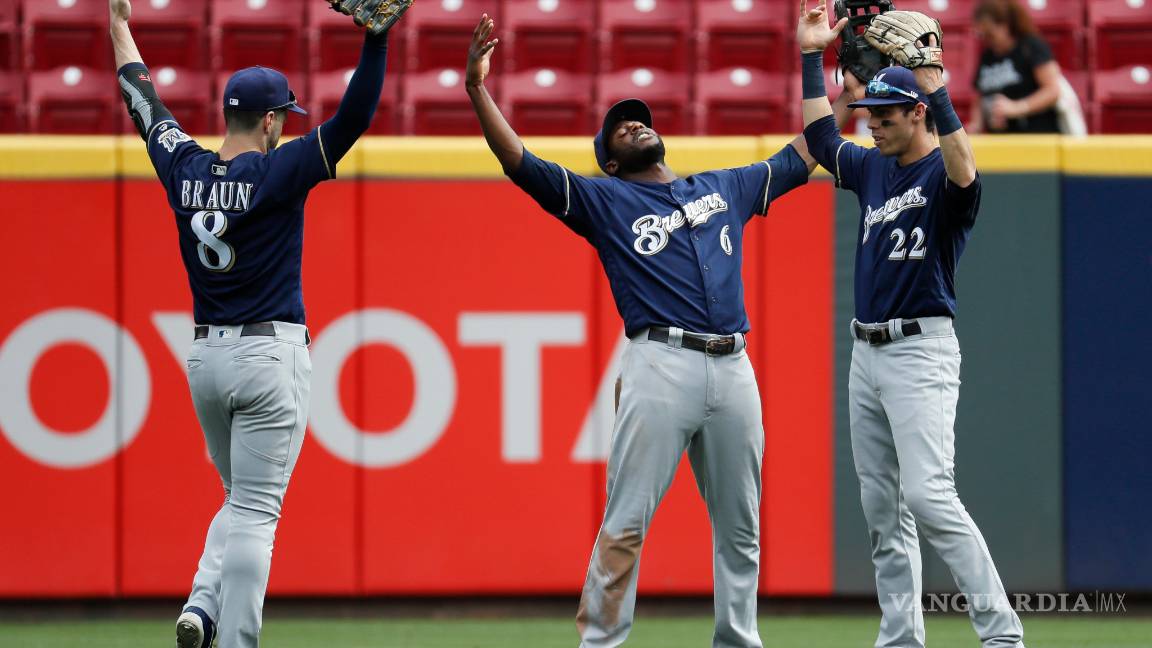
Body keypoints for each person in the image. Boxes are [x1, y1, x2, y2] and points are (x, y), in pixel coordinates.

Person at [466, 13, 860, 648]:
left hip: (735, 367)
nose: (636, 123)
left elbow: (806, 152)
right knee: (627, 520)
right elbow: (520, 163)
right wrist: (477, 89)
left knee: (742, 525)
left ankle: (738, 640)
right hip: (660, 364)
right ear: (611, 163)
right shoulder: (605, 201)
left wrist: (835, 82)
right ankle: (601, 641)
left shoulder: (724, 186)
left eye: (640, 117)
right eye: (621, 127)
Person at [108, 0, 401, 645]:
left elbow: (142, 99)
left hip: (206, 360)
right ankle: (237, 637)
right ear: (269, 120)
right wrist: (377, 42)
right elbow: (353, 120)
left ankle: (201, 607)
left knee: (240, 497)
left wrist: (119, 23)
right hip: (269, 357)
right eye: (283, 117)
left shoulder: (183, 166)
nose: (285, 127)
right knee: (257, 510)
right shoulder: (278, 168)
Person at [796, 1, 1026, 647]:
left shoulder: (942, 172)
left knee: (928, 496)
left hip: (919, 350)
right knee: (881, 509)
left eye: (886, 118)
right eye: (871, 116)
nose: (874, 128)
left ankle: (1001, 632)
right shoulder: (872, 165)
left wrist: (937, 87)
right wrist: (813, 57)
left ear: (917, 113)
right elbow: (819, 141)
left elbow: (965, 169)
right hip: (865, 353)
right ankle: (901, 637)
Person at [971, 0, 1061, 133]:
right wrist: (976, 124)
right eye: (983, 35)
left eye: (990, 34)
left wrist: (1017, 108)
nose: (987, 40)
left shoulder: (1031, 47)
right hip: (1001, 141)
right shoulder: (987, 55)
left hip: (1036, 137)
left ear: (1006, 25)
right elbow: (979, 95)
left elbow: (1053, 91)